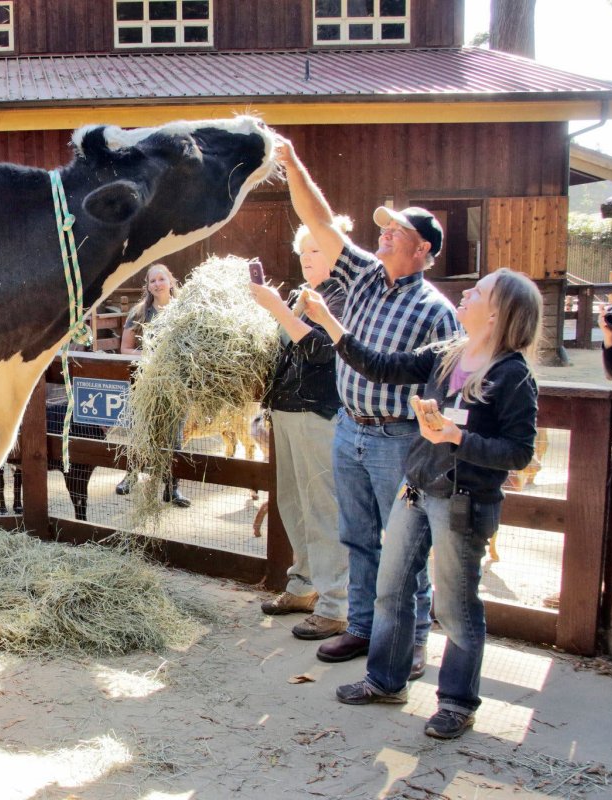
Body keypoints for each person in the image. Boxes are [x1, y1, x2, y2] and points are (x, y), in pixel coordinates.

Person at [301, 268, 540, 740]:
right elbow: (382, 366)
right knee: (391, 589)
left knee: (455, 608)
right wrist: (330, 322)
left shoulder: (513, 375)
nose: (465, 293)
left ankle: (456, 703)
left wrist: (457, 437)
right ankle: (386, 680)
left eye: (478, 291)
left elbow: (519, 452)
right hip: (416, 489)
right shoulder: (448, 354)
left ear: (497, 312)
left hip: (462, 502)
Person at [278, 138, 460, 676]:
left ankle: (414, 637)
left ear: (423, 249)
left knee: (405, 545)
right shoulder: (360, 275)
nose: (385, 232)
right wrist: (291, 161)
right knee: (357, 536)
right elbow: (320, 219)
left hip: (397, 438)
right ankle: (360, 627)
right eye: (384, 227)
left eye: (398, 230)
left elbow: (445, 385)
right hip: (348, 428)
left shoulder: (436, 311)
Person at [249, 219, 351, 640]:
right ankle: (303, 586)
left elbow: (322, 351)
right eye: (304, 252)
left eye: (317, 251)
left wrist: (276, 309)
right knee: (292, 503)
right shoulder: (296, 295)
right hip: (286, 411)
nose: (309, 259)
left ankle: (335, 605)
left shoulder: (345, 298)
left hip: (320, 413)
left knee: (323, 507)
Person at [116, 264, 190, 508]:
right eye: (152, 281)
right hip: (146, 384)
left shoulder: (184, 311)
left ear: (171, 281)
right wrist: (149, 358)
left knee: (174, 437)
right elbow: (125, 348)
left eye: (162, 279)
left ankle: (172, 488)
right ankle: (131, 477)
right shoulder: (138, 313)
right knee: (141, 431)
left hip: (175, 385)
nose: (157, 284)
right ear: (147, 286)